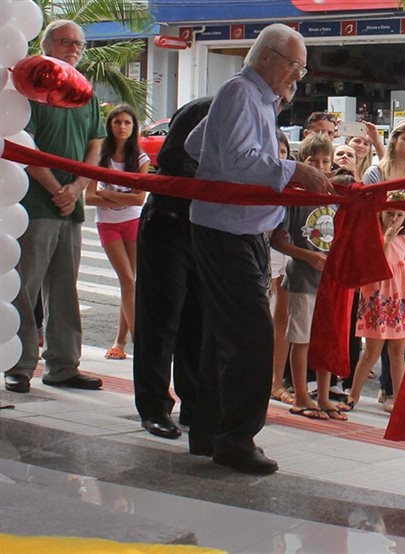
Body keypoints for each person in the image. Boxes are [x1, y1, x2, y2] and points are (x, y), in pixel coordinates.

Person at [184, 23, 334, 475]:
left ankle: (209, 430)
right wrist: (294, 170)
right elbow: (236, 161)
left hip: (239, 232)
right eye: (296, 67)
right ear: (269, 58)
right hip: (227, 232)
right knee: (253, 338)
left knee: (222, 337)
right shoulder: (241, 93)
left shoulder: (253, 99)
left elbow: (198, 145)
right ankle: (235, 439)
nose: (297, 78)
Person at [6, 20, 105, 394]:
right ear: (46, 43)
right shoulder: (29, 85)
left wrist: (78, 186)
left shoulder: (85, 93)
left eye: (79, 44)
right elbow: (22, 143)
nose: (74, 49)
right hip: (34, 202)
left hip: (70, 205)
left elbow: (96, 141)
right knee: (25, 285)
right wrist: (55, 188)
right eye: (65, 42)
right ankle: (19, 363)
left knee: (65, 287)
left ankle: (64, 365)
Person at [132, 96, 211, 440]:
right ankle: (153, 407)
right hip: (169, 220)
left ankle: (194, 404)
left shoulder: (254, 116)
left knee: (198, 321)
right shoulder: (206, 109)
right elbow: (171, 157)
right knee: (161, 319)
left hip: (205, 228)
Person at [270, 134, 347, 421]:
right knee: (301, 339)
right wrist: (308, 257)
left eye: (326, 161)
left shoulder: (338, 197)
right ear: (302, 164)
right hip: (302, 279)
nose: (321, 167)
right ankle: (302, 396)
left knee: (324, 339)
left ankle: (324, 396)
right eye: (313, 161)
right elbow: (278, 240)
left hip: (330, 283)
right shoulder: (296, 197)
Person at [362, 118, 405, 408]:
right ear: (395, 140)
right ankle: (366, 390)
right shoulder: (375, 173)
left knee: (402, 330)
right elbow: (364, 215)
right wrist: (387, 245)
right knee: (376, 329)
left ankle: (392, 391)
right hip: (378, 257)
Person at [346, 192, 405, 410]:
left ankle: (400, 401)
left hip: (399, 300)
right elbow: (378, 264)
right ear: (380, 214)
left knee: (397, 353)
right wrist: (386, 240)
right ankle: (352, 396)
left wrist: (404, 268)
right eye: (390, 214)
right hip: (378, 299)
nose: (394, 219)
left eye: (399, 215)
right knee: (371, 352)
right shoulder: (372, 238)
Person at [85, 105, 149, 361]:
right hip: (108, 224)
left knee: (132, 282)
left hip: (132, 222)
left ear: (134, 128)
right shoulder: (101, 154)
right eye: (117, 122)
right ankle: (139, 341)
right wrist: (121, 197)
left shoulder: (141, 159)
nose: (122, 127)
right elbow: (89, 197)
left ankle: (120, 341)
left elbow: (139, 199)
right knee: (128, 280)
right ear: (109, 126)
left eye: (127, 123)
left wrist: (107, 194)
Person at [269, 129, 295, 405]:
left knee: (282, 315)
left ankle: (276, 381)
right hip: (258, 247)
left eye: (284, 152)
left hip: (285, 250)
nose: (279, 157)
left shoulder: (294, 186)